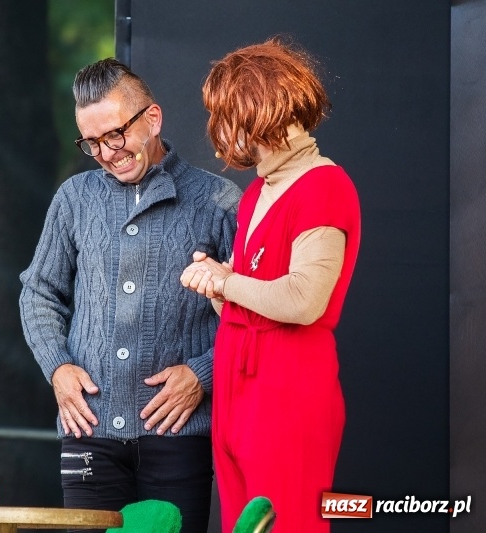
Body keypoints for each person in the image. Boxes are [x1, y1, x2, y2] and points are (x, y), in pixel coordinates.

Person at [19, 58, 241, 532]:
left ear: (153, 119)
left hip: (180, 433)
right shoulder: (74, 199)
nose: (106, 152)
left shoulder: (219, 201)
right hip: (89, 434)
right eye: (92, 142)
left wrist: (203, 375)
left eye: (115, 134)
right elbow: (38, 292)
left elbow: (251, 316)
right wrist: (57, 367)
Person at [180, 37, 361, 533]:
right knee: (244, 524)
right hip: (237, 387)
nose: (221, 132)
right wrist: (218, 287)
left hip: (287, 389)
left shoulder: (324, 186)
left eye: (227, 115)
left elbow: (304, 300)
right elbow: (247, 299)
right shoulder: (260, 187)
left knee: (290, 523)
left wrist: (226, 279)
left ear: (258, 110)